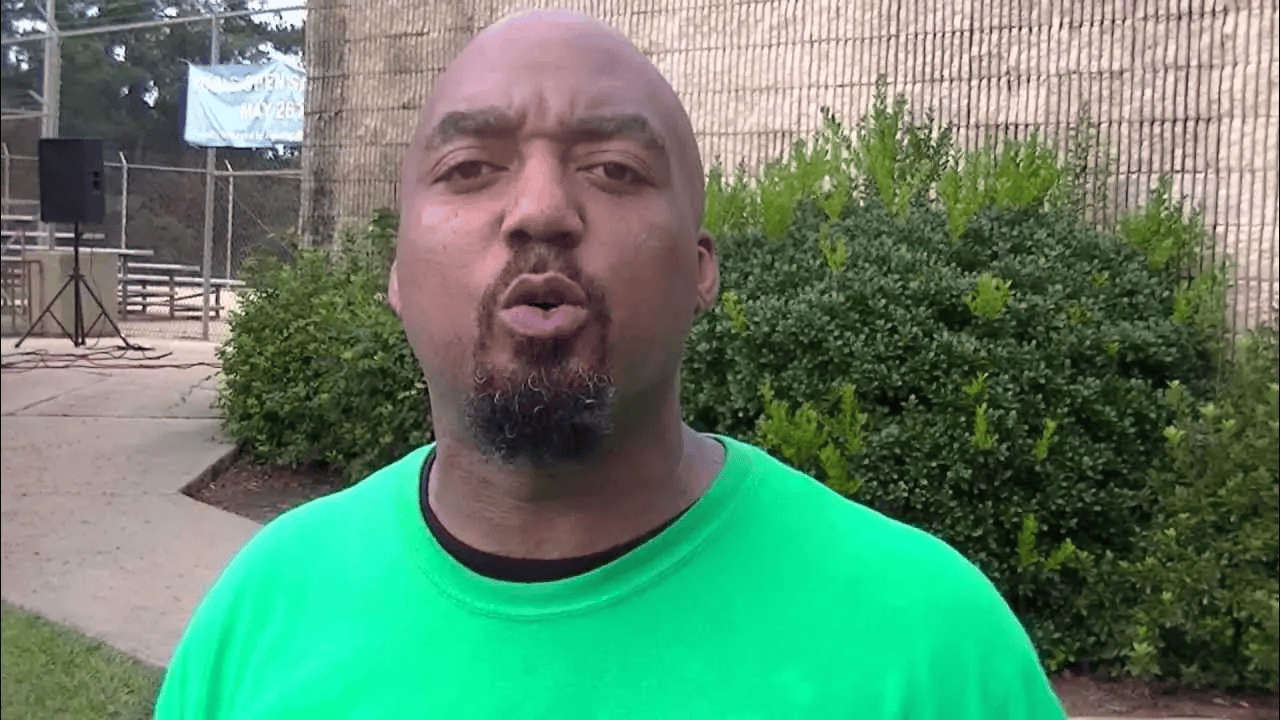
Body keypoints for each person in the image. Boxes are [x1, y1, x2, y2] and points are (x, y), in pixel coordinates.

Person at [156, 10, 1066, 718]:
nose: (541, 210)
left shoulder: (932, 646)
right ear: (396, 272)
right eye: (470, 167)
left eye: (616, 169)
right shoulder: (261, 619)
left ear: (700, 269)